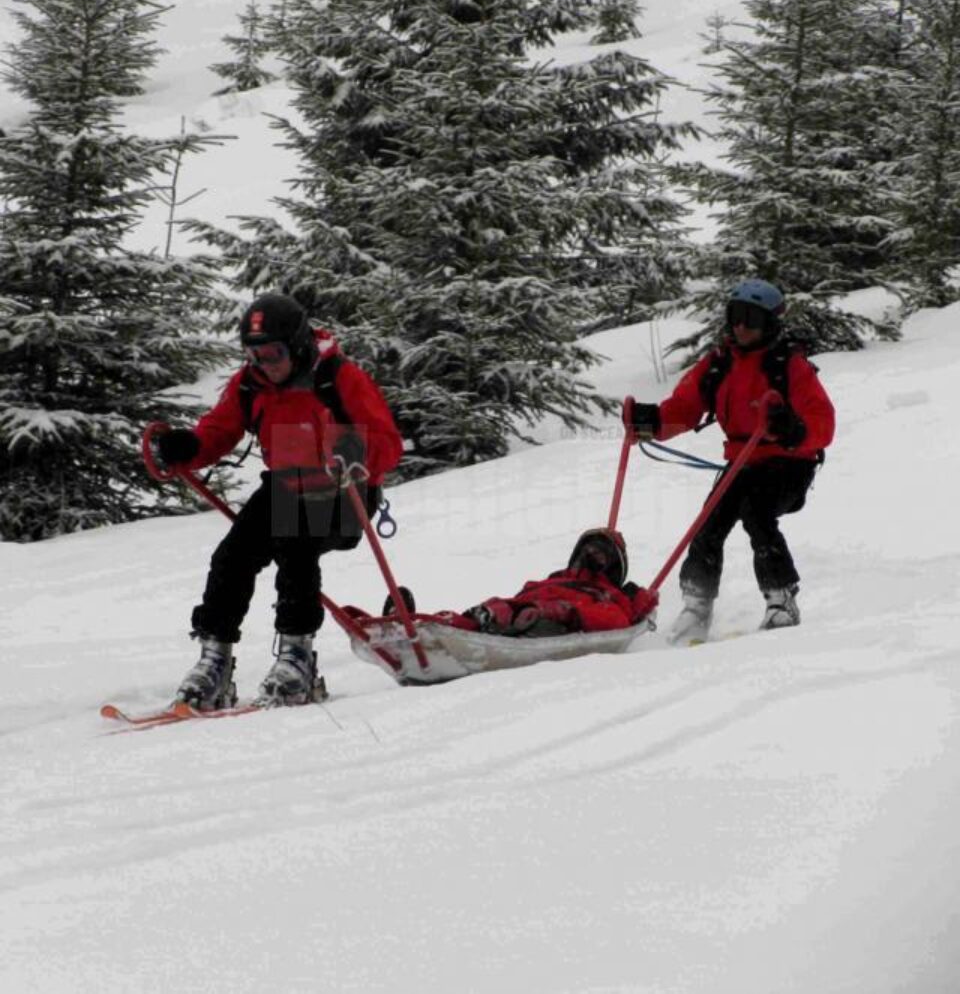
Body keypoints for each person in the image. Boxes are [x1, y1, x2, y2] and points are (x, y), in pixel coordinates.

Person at [155, 292, 403, 708]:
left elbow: (389, 443)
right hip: (287, 486)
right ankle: (214, 662)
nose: (264, 364)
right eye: (253, 354)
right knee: (232, 557)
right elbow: (219, 429)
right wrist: (190, 448)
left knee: (296, 546)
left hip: (345, 491)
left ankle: (297, 659)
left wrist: (357, 448)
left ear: (298, 344)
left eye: (273, 353)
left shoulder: (338, 378)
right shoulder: (251, 384)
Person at [627, 279, 835, 643]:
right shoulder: (719, 363)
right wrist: (653, 422)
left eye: (751, 318)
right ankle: (697, 604)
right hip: (743, 461)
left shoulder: (789, 365)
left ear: (770, 323)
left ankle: (781, 600)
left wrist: (792, 428)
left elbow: (823, 423)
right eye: (735, 315)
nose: (740, 326)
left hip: (789, 462)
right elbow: (685, 408)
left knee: (757, 512)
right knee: (709, 522)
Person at [434, 529, 658, 638]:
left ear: (613, 563)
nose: (591, 556)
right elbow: (524, 595)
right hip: (522, 608)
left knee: (537, 622)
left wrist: (565, 611)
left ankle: (506, 628)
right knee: (496, 609)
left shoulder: (610, 593)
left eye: (600, 554)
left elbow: (616, 620)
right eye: (588, 551)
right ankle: (436, 626)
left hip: (555, 620)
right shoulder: (558, 578)